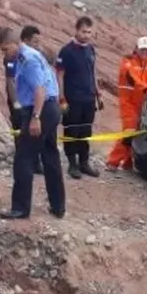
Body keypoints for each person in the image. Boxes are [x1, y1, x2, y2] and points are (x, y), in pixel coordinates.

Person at [0, 26, 66, 219]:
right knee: (50, 156)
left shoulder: (28, 60)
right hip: (49, 108)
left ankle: (20, 208)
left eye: (5, 49)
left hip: (40, 109)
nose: (4, 54)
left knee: (24, 158)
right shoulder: (28, 56)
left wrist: (35, 118)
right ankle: (58, 205)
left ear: (16, 43)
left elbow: (39, 89)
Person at [106, 36, 147, 172]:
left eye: (146, 50)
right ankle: (113, 161)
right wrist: (146, 89)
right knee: (129, 131)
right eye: (142, 49)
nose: (144, 52)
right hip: (128, 102)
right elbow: (132, 78)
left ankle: (127, 162)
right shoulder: (128, 62)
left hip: (144, 104)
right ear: (136, 48)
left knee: (138, 133)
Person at [56, 16, 104, 179]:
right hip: (73, 99)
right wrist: (61, 98)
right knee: (72, 131)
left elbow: (93, 71)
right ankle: (72, 164)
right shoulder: (66, 51)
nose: (86, 35)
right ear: (76, 30)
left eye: (89, 32)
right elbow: (60, 75)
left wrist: (98, 94)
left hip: (88, 99)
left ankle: (84, 163)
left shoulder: (90, 49)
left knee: (85, 131)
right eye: (84, 31)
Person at [4, 26, 44, 175]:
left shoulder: (34, 56)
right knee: (19, 129)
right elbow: (10, 81)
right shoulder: (12, 57)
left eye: (39, 42)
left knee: (33, 130)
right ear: (25, 41)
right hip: (18, 101)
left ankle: (36, 160)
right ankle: (22, 159)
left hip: (31, 101)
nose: (37, 45)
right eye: (35, 41)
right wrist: (15, 103)